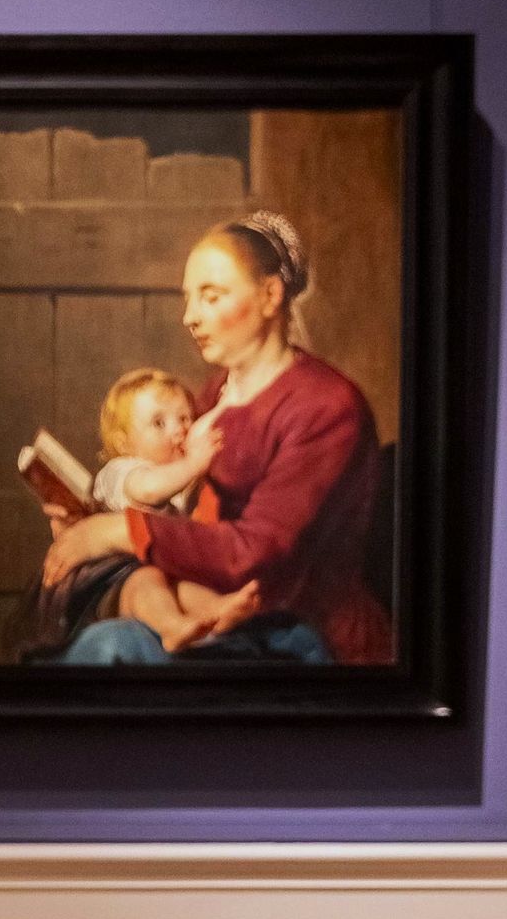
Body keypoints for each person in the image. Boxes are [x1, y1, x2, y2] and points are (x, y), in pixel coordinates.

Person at [36, 211, 393, 666]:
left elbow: (255, 553)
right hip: (210, 614)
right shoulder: (214, 394)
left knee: (109, 653)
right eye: (189, 299)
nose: (190, 317)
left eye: (211, 297)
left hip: (298, 634)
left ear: (269, 295)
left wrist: (116, 531)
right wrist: (88, 523)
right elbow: (187, 516)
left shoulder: (326, 407)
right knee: (100, 649)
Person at [43, 368, 260, 656]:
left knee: (183, 587)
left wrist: (225, 405)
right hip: (117, 579)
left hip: (160, 569)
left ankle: (218, 613)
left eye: (184, 418)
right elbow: (148, 490)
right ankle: (172, 628)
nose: (178, 429)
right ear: (124, 443)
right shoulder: (123, 471)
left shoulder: (176, 477)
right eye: (159, 423)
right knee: (148, 583)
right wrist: (196, 463)